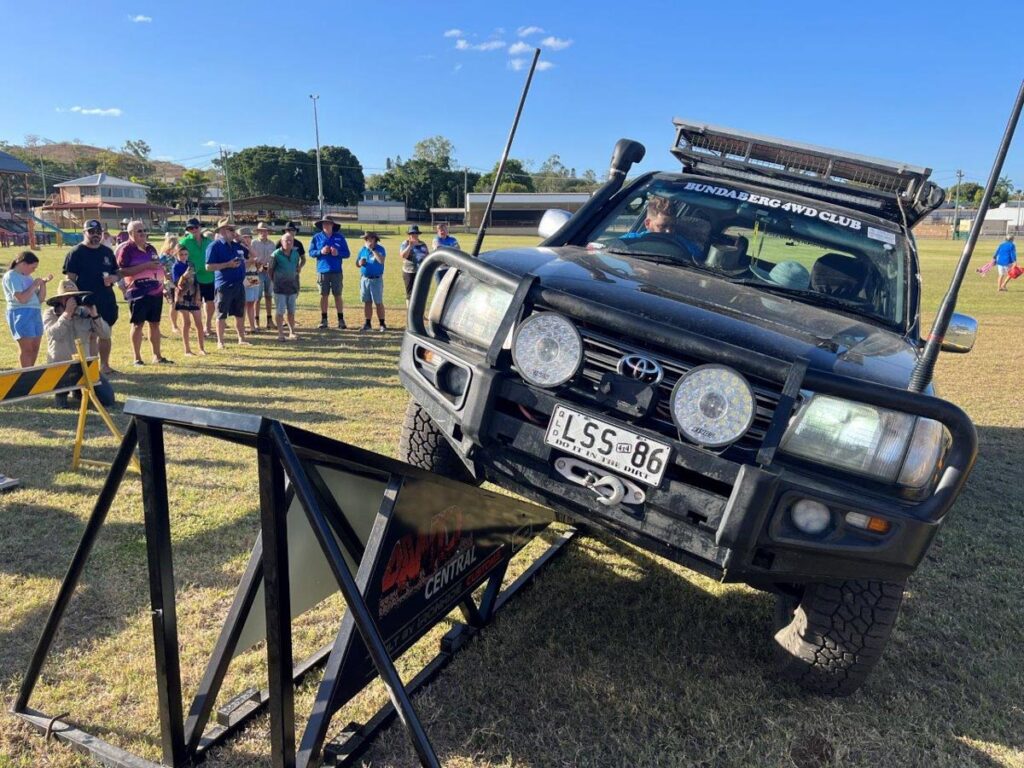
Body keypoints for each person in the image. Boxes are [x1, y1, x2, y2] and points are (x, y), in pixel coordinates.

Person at [42, 279, 115, 408]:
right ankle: (64, 392)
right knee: (61, 405)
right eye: (67, 298)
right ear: (60, 300)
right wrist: (66, 314)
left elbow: (105, 335)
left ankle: (78, 390)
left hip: (84, 367)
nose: (72, 301)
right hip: (60, 367)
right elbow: (54, 334)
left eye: (74, 297)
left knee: (107, 399)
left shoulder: (85, 314)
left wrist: (94, 315)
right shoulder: (50, 314)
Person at [63, 219, 121, 375]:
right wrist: (74, 302)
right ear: (84, 232)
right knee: (90, 336)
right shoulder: (75, 253)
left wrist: (114, 279)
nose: (95, 235)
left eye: (98, 232)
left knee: (106, 333)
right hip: (85, 302)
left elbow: (117, 272)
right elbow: (69, 280)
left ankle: (105, 366)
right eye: (91, 232)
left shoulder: (107, 252)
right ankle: (92, 368)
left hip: (106, 299)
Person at [118, 220, 171, 366]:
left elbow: (157, 266)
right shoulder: (126, 250)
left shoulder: (151, 248)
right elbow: (122, 271)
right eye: (139, 231)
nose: (143, 233)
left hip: (156, 291)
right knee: (137, 324)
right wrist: (146, 266)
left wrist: (163, 280)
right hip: (137, 292)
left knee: (155, 323)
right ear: (130, 234)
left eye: (144, 230)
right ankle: (137, 358)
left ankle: (157, 356)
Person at [205, 219, 251, 348]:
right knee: (221, 314)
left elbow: (254, 255)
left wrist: (243, 241)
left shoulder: (237, 245)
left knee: (240, 313)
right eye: (231, 230)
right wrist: (227, 265)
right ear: (223, 231)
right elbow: (208, 266)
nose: (234, 232)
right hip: (224, 285)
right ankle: (220, 341)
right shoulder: (214, 246)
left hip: (238, 284)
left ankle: (241, 338)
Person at [3, 251, 51, 367]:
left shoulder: (28, 277)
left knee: (35, 347)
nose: (34, 270)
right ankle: (25, 375)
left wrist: (43, 284)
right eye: (33, 267)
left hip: (35, 312)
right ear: (23, 263)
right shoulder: (12, 276)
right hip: (21, 313)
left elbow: (40, 299)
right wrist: (34, 285)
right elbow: (22, 299)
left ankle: (30, 372)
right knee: (27, 349)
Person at [619, 196, 702, 260]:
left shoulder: (683, 244)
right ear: (648, 223)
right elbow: (612, 247)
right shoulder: (632, 240)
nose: (669, 231)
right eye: (662, 226)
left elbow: (699, 260)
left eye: (672, 226)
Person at [309, 215, 350, 329]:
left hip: (336, 271)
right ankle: (324, 319)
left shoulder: (340, 237)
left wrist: (338, 253)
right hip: (322, 270)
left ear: (332, 225)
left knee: (338, 295)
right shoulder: (316, 237)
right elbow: (311, 252)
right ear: (321, 225)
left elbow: (347, 253)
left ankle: (341, 320)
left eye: (328, 223)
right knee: (324, 295)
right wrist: (320, 251)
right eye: (324, 223)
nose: (326, 225)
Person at [178, 218, 216, 336]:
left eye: (195, 227)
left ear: (200, 227)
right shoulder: (184, 242)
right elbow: (179, 259)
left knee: (210, 302)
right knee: (196, 303)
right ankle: (199, 327)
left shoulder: (209, 241)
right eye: (190, 228)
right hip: (193, 278)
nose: (193, 230)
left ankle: (208, 326)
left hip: (209, 276)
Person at [171, 244, 206, 356]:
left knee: (199, 323)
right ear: (176, 255)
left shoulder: (191, 265)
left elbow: (196, 281)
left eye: (185, 254)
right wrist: (184, 276)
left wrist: (198, 296)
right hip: (182, 296)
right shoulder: (175, 267)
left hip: (193, 294)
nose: (184, 256)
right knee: (187, 323)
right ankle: (187, 350)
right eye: (181, 254)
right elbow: (177, 284)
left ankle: (202, 348)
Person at [270, 231, 301, 341]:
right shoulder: (276, 254)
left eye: (291, 241)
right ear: (281, 242)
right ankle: (280, 334)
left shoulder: (296, 254)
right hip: (280, 289)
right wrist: (275, 282)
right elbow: (270, 270)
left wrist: (297, 286)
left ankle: (292, 332)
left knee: (291, 312)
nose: (288, 242)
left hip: (292, 288)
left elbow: (296, 270)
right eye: (286, 240)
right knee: (280, 311)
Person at [357, 231, 387, 332]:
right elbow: (357, 263)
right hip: (365, 279)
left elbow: (381, 261)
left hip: (376, 279)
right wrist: (360, 263)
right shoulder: (362, 249)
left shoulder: (380, 249)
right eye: (366, 239)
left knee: (378, 302)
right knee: (367, 302)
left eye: (370, 239)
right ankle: (368, 323)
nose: (368, 241)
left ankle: (382, 324)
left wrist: (373, 249)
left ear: (375, 239)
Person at [250, 222, 277, 329]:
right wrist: (258, 265)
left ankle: (269, 320)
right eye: (261, 231)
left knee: (269, 296)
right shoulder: (253, 243)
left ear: (268, 232)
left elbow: (274, 258)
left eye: (265, 231)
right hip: (255, 273)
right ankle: (256, 321)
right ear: (258, 232)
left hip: (268, 273)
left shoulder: (272, 244)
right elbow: (250, 257)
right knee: (256, 297)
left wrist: (269, 266)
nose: (263, 233)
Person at [237, 226, 262, 334]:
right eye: (244, 237)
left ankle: (252, 326)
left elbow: (257, 257)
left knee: (251, 302)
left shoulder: (250, 247)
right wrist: (251, 260)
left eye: (249, 237)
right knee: (242, 303)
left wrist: (249, 247)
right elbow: (240, 263)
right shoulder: (237, 248)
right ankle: (241, 327)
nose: (247, 239)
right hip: (243, 277)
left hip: (253, 276)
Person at [400, 225, 430, 304]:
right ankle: (410, 315)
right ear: (409, 234)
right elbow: (403, 256)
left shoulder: (422, 244)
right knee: (410, 294)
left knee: (419, 294)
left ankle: (420, 315)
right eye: (412, 233)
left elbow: (427, 256)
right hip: (408, 272)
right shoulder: (405, 243)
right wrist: (410, 246)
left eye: (416, 233)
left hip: (420, 271)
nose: (414, 235)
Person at [159, 233, 181, 334]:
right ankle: (174, 325)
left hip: (179, 282)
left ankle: (183, 323)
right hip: (169, 283)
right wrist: (164, 273)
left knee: (181, 303)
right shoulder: (164, 256)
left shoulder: (178, 255)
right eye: (172, 244)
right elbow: (157, 266)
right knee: (173, 304)